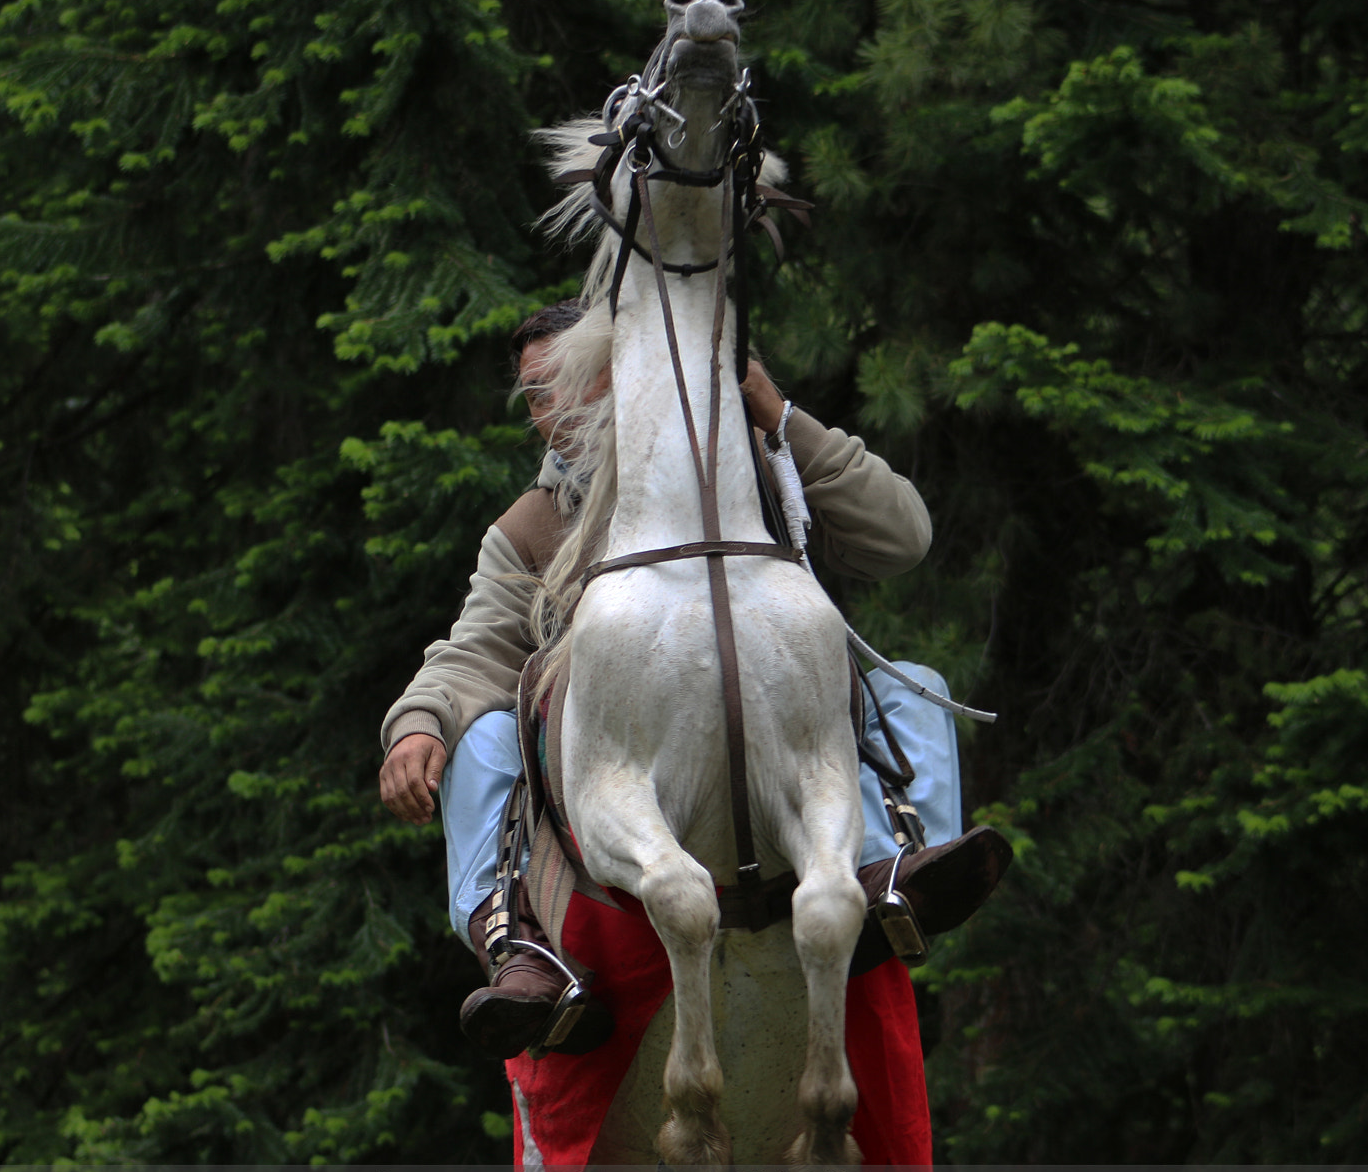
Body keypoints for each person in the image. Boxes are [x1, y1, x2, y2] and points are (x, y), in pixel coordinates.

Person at [379, 300, 1005, 1058]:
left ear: (626, 373)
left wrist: (779, 418)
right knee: (477, 737)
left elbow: (902, 538)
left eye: (576, 378)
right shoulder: (531, 527)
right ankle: (515, 943)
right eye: (537, 393)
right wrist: (418, 720)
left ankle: (898, 879)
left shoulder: (755, 464)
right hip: (629, 757)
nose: (556, 407)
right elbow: (476, 649)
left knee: (910, 683)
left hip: (784, 722)